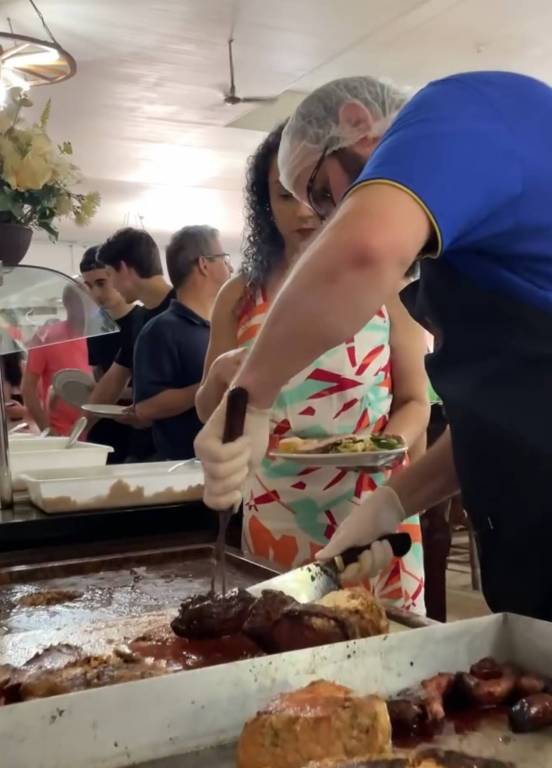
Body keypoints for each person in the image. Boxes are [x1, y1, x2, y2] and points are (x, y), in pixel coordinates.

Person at [195, 71, 552, 622]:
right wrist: (391, 503)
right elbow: (505, 415)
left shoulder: (459, 107)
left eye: (322, 192)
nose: (326, 217)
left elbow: (361, 251)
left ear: (358, 124)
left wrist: (254, 393)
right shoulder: (464, 250)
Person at [196, 124, 429, 612]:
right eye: (284, 195)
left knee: (385, 641)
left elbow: (414, 399)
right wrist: (219, 373)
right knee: (280, 635)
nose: (302, 210)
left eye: (316, 192)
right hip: (276, 505)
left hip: (372, 500)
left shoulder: (388, 287)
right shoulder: (239, 295)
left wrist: (385, 448)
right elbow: (208, 410)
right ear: (264, 203)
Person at [133, 226, 232, 460]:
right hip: (188, 466)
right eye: (224, 258)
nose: (230, 267)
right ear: (204, 264)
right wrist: (211, 385)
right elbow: (146, 408)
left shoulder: (227, 323)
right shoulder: (161, 330)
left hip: (233, 460)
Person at [87, 228, 174, 460]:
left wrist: (148, 412)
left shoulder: (183, 307)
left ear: (124, 268)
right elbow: (116, 376)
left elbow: (200, 384)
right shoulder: (139, 318)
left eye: (109, 275)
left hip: (180, 449)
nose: (112, 285)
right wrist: (81, 428)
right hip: (142, 447)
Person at [80, 246, 143, 462]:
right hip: (102, 430)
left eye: (101, 283)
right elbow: (99, 375)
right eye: (89, 286)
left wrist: (109, 392)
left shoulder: (143, 321)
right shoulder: (95, 326)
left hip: (138, 433)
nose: (96, 294)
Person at [23, 284, 92, 436]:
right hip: (61, 431)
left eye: (87, 301)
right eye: (77, 302)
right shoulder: (47, 336)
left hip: (94, 427)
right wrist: (46, 428)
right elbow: (28, 388)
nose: (84, 307)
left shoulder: (99, 336)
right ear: (67, 304)